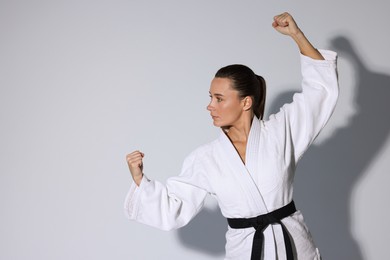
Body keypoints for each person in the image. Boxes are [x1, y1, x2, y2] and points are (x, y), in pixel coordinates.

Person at [124, 12, 338, 260]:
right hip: (245, 251)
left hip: (294, 247)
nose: (210, 106)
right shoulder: (206, 158)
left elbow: (319, 94)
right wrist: (140, 179)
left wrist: (297, 36)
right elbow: (173, 208)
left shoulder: (281, 133)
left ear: (246, 102)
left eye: (219, 99)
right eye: (210, 97)